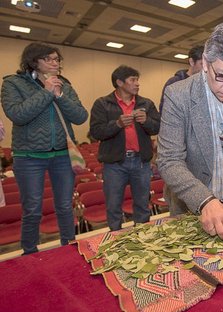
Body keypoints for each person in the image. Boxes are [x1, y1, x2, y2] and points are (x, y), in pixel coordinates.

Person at [157, 22, 223, 240]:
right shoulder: (178, 95)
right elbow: (169, 161)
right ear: (206, 64)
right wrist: (205, 200)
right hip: (193, 202)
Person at [1, 42, 88, 254]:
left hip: (62, 155)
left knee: (65, 206)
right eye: (48, 59)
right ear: (33, 61)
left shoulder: (64, 85)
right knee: (32, 209)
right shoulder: (13, 84)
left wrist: (59, 95)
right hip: (28, 156)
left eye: (57, 59)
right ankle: (30, 252)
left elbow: (80, 116)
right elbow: (18, 115)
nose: (54, 63)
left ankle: (69, 247)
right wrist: (47, 92)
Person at [90, 65, 160, 231]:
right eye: (133, 80)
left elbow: (157, 128)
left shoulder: (146, 104)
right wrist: (117, 124)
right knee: (113, 205)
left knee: (142, 204)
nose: (137, 84)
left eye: (137, 80)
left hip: (141, 162)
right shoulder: (102, 104)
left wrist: (146, 121)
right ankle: (115, 239)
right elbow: (95, 132)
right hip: (114, 164)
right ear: (119, 82)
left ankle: (143, 237)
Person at [159, 45, 204, 112]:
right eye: (202, 64)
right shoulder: (174, 83)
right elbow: (165, 111)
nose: (206, 68)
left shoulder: (207, 83)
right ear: (192, 62)